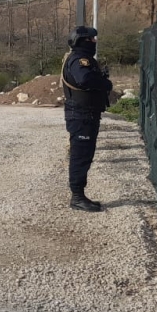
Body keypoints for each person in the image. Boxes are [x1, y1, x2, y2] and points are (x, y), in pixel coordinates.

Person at [60, 26, 113, 213]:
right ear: (82, 41)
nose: (94, 42)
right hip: (81, 115)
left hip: (86, 114)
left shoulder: (82, 58)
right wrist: (105, 83)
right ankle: (77, 197)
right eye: (91, 39)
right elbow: (84, 79)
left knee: (85, 155)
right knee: (80, 155)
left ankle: (79, 195)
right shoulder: (79, 60)